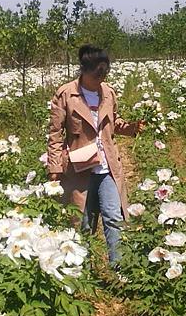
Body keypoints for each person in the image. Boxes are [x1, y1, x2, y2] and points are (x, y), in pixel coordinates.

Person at [47, 44, 144, 264]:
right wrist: (54, 168)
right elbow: (55, 133)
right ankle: (82, 267)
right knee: (84, 221)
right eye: (96, 75)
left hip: (107, 165)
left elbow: (114, 123)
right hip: (80, 168)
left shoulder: (108, 93)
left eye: (104, 74)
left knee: (113, 217)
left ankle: (119, 269)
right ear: (83, 70)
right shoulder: (66, 94)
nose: (100, 79)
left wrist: (131, 128)